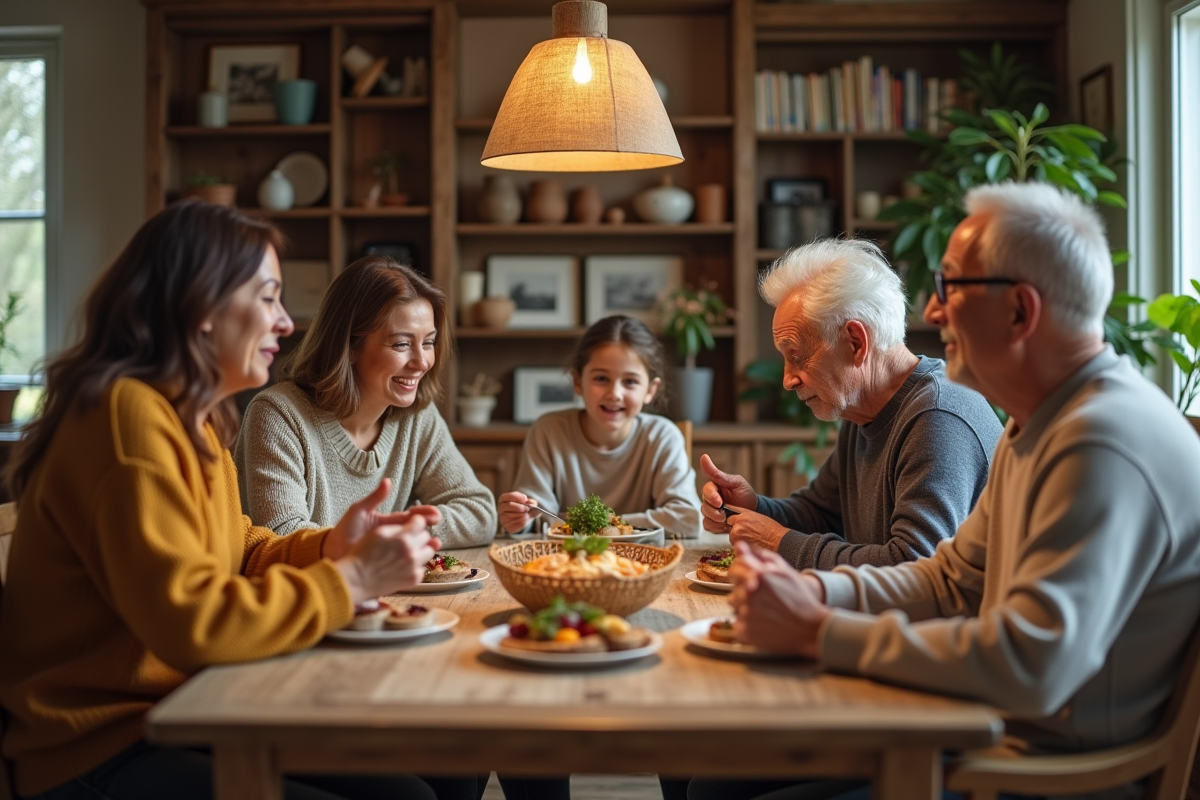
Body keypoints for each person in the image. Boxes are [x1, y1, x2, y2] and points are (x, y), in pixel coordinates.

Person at [703, 182, 1200, 800]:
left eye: (952, 289)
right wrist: (810, 590)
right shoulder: (1038, 423)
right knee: (711, 776)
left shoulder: (1101, 440)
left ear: (1020, 310)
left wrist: (819, 631)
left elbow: (1030, 666)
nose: (932, 314)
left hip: (1035, 772)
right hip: (978, 730)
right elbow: (945, 580)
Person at [0, 201, 480, 800]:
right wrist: (350, 578)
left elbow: (239, 549)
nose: (285, 321)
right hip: (99, 742)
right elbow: (195, 623)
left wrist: (330, 545)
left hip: (189, 706)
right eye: (268, 297)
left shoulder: (191, 418)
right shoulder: (128, 420)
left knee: (446, 765)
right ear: (202, 309)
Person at [700, 238, 1002, 569]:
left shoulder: (937, 417)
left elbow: (913, 566)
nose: (788, 380)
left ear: (856, 342)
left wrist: (776, 541)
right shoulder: (864, 409)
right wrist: (754, 507)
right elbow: (821, 513)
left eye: (797, 357)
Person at [235, 256, 497, 548]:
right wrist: (392, 536)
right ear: (348, 347)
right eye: (401, 344)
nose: (422, 362)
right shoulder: (278, 416)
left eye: (428, 342)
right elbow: (283, 538)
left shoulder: (417, 416)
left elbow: (480, 512)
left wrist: (397, 532)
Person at [497, 315, 701, 539]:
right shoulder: (548, 431)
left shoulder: (663, 437)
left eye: (630, 382)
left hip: (643, 564)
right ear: (577, 382)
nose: (614, 393)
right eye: (601, 378)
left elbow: (687, 519)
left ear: (650, 390)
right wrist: (520, 518)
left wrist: (602, 526)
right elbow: (537, 518)